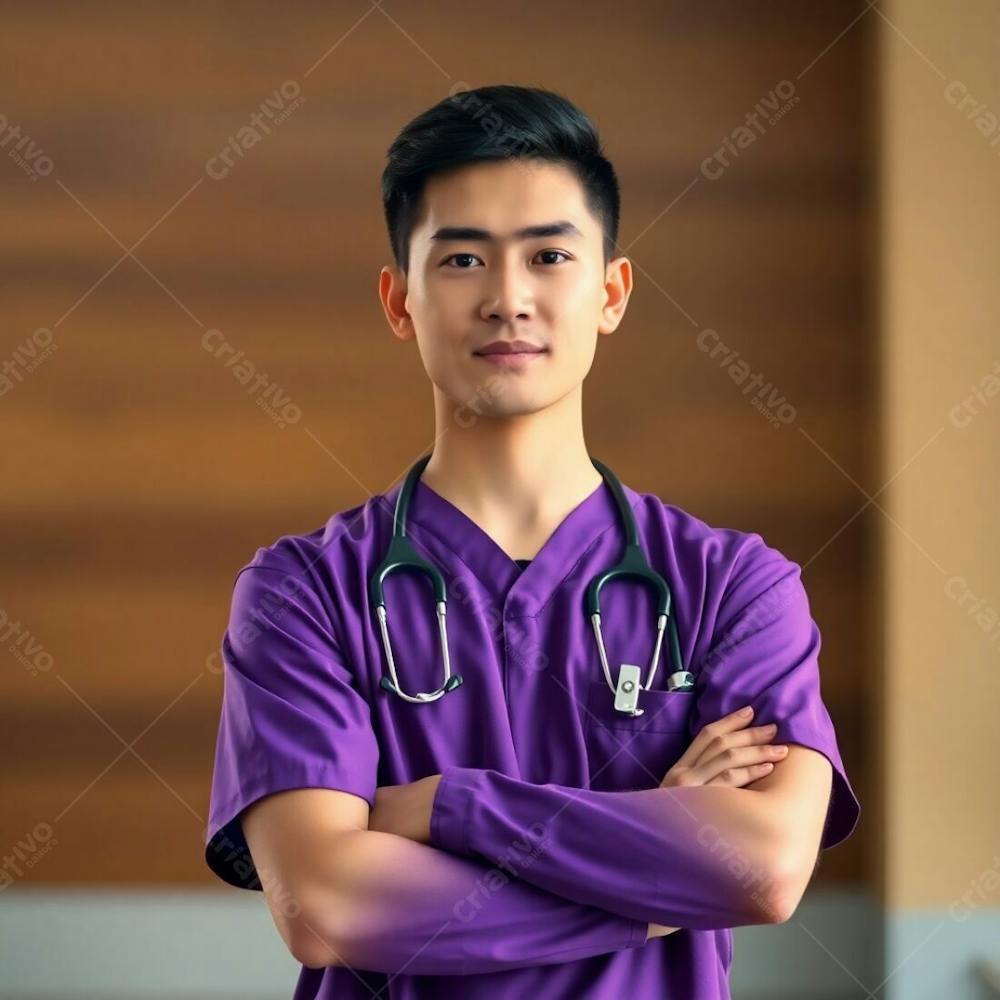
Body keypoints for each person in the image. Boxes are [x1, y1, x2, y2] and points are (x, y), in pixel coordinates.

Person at [203, 84, 860, 999]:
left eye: (549, 255)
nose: (508, 299)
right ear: (400, 301)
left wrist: (443, 806)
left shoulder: (734, 587)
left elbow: (763, 871)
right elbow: (327, 910)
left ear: (610, 292)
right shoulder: (305, 593)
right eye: (463, 259)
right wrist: (659, 880)